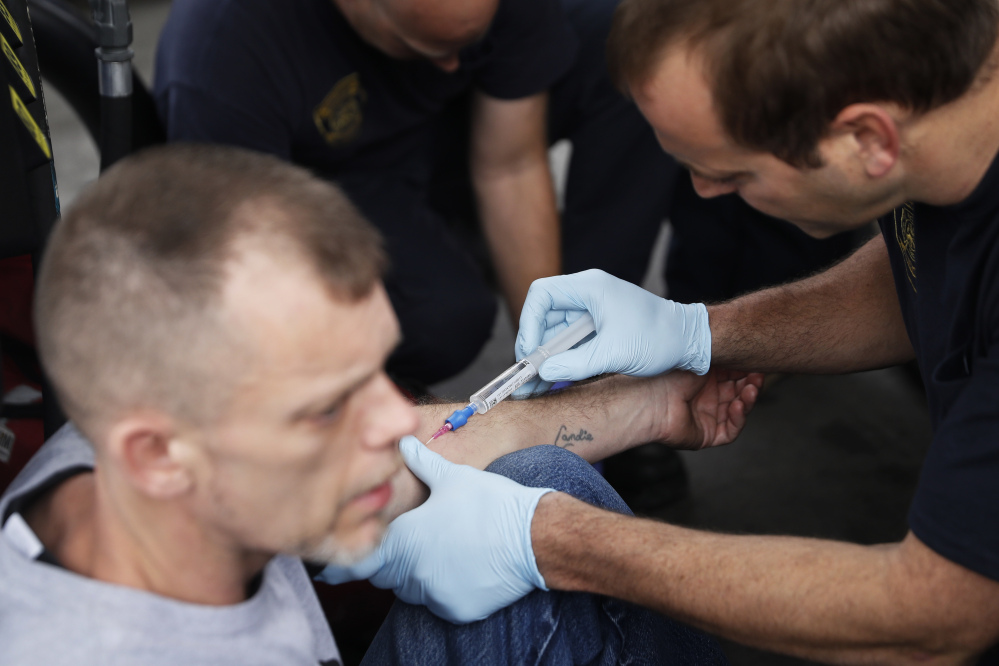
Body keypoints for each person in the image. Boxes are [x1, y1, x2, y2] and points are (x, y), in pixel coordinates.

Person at [332, 0, 999, 662]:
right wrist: (698, 332)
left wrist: (548, 542)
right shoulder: (942, 121)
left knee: (516, 592)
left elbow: (931, 616)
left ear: (868, 141)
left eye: (732, 171)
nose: (701, 192)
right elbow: (923, 270)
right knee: (537, 475)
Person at [0, 143, 754, 664]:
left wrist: (650, 407)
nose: (397, 419)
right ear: (156, 456)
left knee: (544, 485)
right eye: (328, 408)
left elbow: (432, 441)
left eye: (375, 371)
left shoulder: (143, 440)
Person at [153, 0, 679, 388]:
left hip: (461, 127)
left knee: (626, 52)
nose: (453, 64)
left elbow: (511, 165)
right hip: (332, 179)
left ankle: (597, 347)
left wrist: (552, 357)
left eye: (463, 45)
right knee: (443, 322)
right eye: (431, 48)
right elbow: (245, 275)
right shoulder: (222, 52)